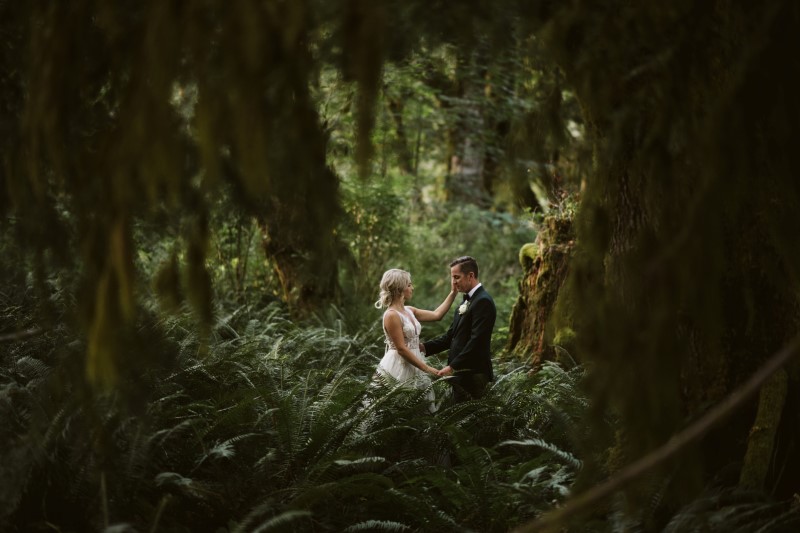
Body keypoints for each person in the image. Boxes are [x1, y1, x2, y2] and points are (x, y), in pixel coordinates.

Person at [374, 269, 457, 410]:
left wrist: (453, 292)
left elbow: (437, 315)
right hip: (399, 365)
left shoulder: (409, 310)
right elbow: (401, 348)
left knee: (419, 407)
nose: (412, 288)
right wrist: (427, 368)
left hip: (416, 361)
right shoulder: (391, 315)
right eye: (409, 284)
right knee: (399, 407)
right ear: (400, 287)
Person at [421, 256, 496, 403]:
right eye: (452, 278)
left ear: (470, 276)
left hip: (473, 374)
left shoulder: (483, 301)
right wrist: (424, 347)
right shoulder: (466, 300)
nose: (453, 282)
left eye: (457, 277)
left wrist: (453, 366)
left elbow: (477, 341)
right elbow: (451, 336)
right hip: (462, 374)